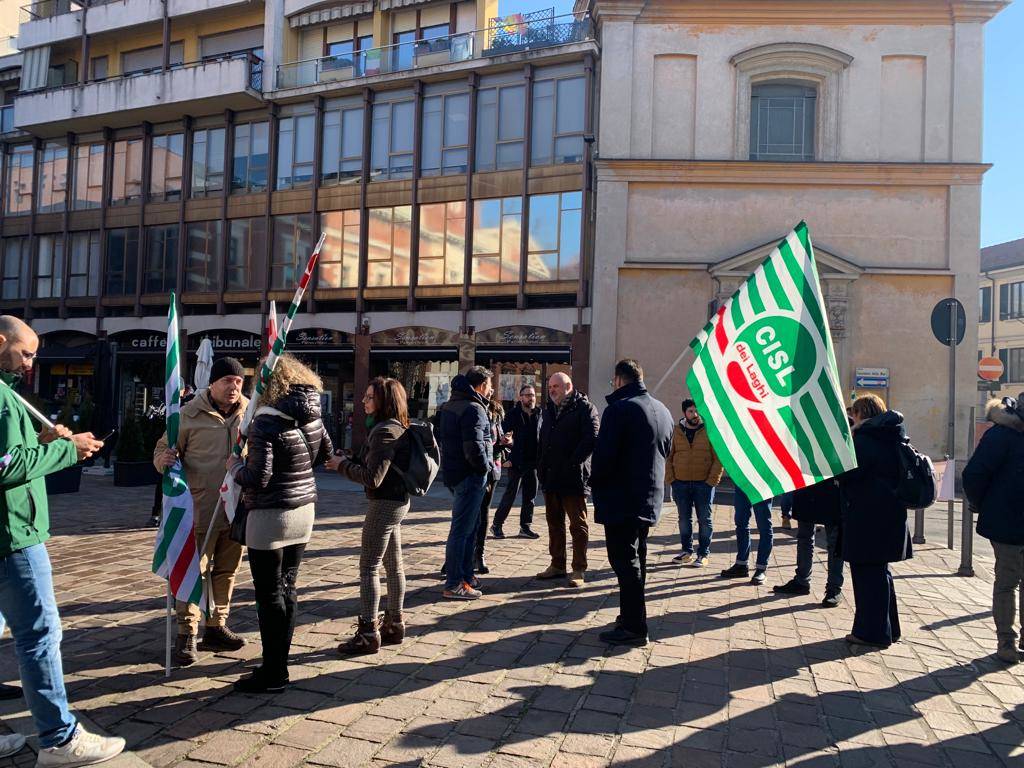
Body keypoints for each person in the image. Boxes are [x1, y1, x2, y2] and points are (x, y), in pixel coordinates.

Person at [0, 315, 125, 765]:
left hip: (11, 530)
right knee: (40, 633)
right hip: (13, 535)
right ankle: (59, 739)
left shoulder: (7, 393)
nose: (30, 363)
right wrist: (65, 450)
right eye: (25, 353)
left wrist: (42, 439)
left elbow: (14, 451)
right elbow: (5, 465)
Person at [226, 354, 331, 692]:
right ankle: (279, 665)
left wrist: (233, 467)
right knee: (288, 587)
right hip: (304, 511)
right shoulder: (313, 415)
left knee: (269, 594)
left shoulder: (265, 421)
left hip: (271, 515)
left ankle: (273, 671)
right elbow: (326, 454)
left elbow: (258, 477)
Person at [154, 357, 249, 666]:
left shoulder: (250, 413)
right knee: (193, 572)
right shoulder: (187, 415)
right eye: (227, 381)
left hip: (235, 510)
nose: (234, 387)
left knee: (227, 571)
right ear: (213, 383)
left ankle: (217, 625)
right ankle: (187, 633)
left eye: (238, 382)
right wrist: (163, 460)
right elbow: (162, 449)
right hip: (198, 510)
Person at [328, 378, 425, 655]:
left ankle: (368, 633)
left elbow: (373, 478)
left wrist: (341, 466)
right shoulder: (396, 426)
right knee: (393, 565)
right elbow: (376, 464)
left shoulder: (383, 431)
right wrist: (349, 458)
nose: (363, 401)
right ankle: (395, 623)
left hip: (384, 504)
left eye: (370, 397)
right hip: (398, 501)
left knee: (369, 566)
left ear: (384, 401)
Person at [591, 359, 674, 646]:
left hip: (622, 499)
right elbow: (665, 451)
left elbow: (604, 456)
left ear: (618, 380)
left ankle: (634, 627)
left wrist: (595, 484)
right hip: (648, 498)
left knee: (625, 563)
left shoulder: (619, 409)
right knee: (638, 560)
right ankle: (631, 616)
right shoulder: (663, 410)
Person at [840, 394, 912, 649]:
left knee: (867, 575)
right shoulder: (892, 435)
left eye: (855, 413)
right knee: (881, 574)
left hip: (868, 516)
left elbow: (848, 475)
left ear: (862, 414)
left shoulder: (865, 440)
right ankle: (889, 629)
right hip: (890, 515)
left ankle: (871, 633)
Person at [963, 395, 1024, 664]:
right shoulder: (1003, 435)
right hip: (1008, 519)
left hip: (1005, 518)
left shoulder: (1000, 434)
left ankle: (1007, 642)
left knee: (1007, 582)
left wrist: (980, 503)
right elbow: (974, 475)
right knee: (1009, 581)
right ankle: (1008, 641)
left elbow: (974, 474)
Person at [536, 372, 599, 588]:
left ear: (568, 386)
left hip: (573, 477)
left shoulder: (585, 408)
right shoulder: (548, 409)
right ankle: (557, 564)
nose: (552, 390)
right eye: (550, 387)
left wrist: (572, 462)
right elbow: (543, 439)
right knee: (554, 523)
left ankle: (579, 568)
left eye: (556, 386)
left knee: (577, 525)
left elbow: (592, 438)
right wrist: (541, 465)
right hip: (551, 475)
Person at [437, 367, 496, 600]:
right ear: (481, 385)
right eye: (489, 385)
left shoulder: (451, 405)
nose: (491, 390)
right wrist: (485, 469)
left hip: (456, 474)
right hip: (470, 477)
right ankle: (454, 583)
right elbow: (474, 447)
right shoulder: (473, 408)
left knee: (469, 527)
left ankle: (466, 576)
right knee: (462, 531)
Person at [666, 399, 723, 567]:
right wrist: (672, 480)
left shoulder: (709, 430)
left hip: (703, 484)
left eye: (697, 411)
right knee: (684, 519)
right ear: (684, 413)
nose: (695, 414)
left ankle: (703, 554)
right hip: (680, 484)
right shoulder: (676, 431)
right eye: (691, 411)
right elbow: (668, 456)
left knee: (704, 520)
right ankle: (687, 552)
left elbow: (718, 458)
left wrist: (711, 481)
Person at [772, 479, 845, 607]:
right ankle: (802, 581)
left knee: (834, 542)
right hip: (806, 485)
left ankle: (834, 588)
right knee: (804, 537)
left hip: (831, 488)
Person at [492, 384, 541, 539]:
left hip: (533, 462)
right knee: (510, 495)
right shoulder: (513, 414)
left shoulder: (539, 414)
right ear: (521, 397)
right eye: (527, 395)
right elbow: (504, 436)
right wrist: (508, 445)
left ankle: (525, 527)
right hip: (517, 461)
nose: (531, 398)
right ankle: (497, 525)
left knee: (530, 497)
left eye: (532, 395)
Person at [473, 395, 510, 574]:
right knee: (466, 514)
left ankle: (479, 554)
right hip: (475, 468)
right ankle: (457, 556)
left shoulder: (496, 412)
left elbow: (496, 439)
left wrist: (505, 442)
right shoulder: (472, 409)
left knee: (483, 512)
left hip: (492, 469)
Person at [720, 488, 774, 585]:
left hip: (763, 485)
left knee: (764, 526)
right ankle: (741, 564)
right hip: (743, 483)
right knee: (741, 524)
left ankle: (761, 568)